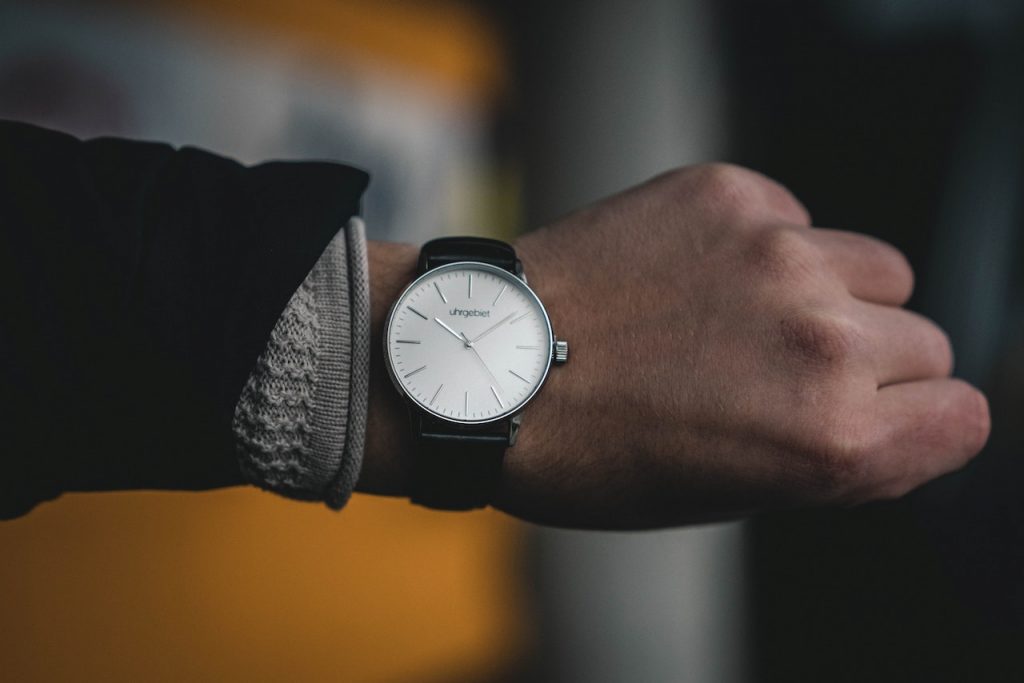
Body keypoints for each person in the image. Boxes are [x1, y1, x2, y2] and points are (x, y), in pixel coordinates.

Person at [0, 119, 990, 528]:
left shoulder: (503, 344)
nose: (483, 342)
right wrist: (350, 338)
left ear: (548, 350)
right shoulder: (504, 342)